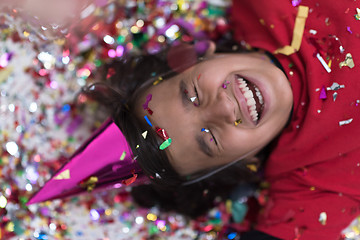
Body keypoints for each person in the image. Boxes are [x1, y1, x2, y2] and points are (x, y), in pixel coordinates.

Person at [29, 0, 360, 239]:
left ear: (198, 55)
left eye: (192, 95)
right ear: (246, 164)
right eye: (211, 139)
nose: (222, 109)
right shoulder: (308, 183)